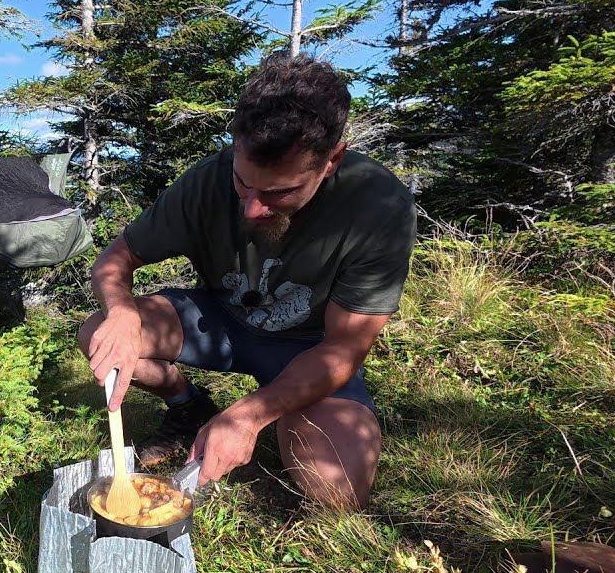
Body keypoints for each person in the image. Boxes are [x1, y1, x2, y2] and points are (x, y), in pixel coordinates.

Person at [78, 52, 416, 510]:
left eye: (281, 192)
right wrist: (120, 313)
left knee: (335, 493)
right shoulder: (208, 180)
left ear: (331, 160)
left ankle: (285, 415)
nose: (253, 209)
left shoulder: (377, 206)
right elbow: (117, 257)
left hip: (310, 348)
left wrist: (251, 415)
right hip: (221, 321)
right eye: (244, 183)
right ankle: (187, 406)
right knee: (98, 333)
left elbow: (346, 348)